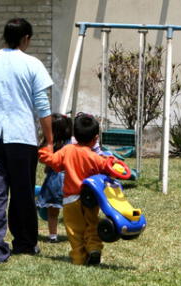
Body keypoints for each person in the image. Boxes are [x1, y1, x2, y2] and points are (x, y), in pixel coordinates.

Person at [0, 18, 54, 263]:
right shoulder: (32, 64)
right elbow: (42, 106)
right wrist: (49, 140)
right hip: (22, 137)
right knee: (23, 192)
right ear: (26, 39)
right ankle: (25, 243)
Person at [38, 113, 120, 266]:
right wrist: (112, 161)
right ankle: (94, 248)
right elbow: (107, 167)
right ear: (95, 138)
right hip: (91, 197)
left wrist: (44, 151)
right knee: (92, 224)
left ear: (75, 134)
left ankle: (79, 258)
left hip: (70, 199)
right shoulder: (94, 156)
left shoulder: (67, 150)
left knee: (75, 230)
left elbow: (53, 162)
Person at [36, 113, 72, 243]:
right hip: (70, 181)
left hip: (55, 181)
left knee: (53, 213)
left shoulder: (51, 145)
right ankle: (75, 233)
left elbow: (43, 159)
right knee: (71, 211)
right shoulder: (71, 144)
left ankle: (53, 236)